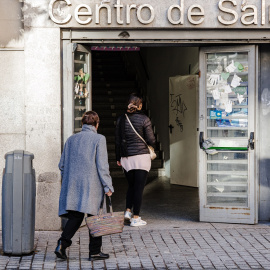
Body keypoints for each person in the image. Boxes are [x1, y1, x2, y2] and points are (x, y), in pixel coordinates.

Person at [55, 111, 114, 261]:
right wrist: (108, 186)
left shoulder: (71, 139)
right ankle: (94, 252)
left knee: (76, 216)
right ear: (97, 124)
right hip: (92, 186)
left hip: (73, 185)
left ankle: (62, 244)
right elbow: (102, 166)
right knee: (95, 217)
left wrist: (70, 179)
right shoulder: (99, 139)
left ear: (82, 124)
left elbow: (61, 165)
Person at [115, 93, 155, 227]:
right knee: (138, 188)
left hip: (126, 158)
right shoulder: (144, 119)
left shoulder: (121, 119)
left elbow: (117, 141)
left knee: (131, 186)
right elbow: (151, 140)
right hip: (141, 158)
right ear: (139, 105)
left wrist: (118, 158)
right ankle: (136, 218)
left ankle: (127, 211)